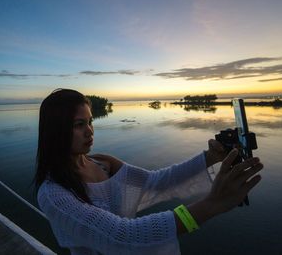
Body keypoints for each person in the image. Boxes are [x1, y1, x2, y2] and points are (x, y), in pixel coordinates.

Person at [35, 88, 263, 255]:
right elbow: (126, 235)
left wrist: (209, 158)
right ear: (56, 130)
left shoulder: (103, 163)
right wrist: (212, 205)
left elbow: (157, 182)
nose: (90, 131)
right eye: (79, 124)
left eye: (90, 122)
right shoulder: (53, 194)